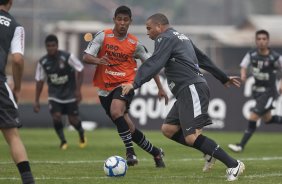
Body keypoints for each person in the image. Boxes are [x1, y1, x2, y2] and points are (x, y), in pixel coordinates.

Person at [122, 13, 245, 181]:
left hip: (191, 87)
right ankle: (209, 153)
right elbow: (202, 58)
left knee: (192, 136)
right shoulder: (181, 37)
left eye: (149, 29)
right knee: (168, 129)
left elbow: (154, 63)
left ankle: (233, 164)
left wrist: (134, 84)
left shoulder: (164, 38)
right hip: (186, 91)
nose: (148, 33)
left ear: (159, 26)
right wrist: (222, 77)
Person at [83, 6, 168, 167]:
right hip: (104, 88)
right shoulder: (103, 36)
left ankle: (130, 152)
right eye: (119, 19)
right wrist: (98, 61)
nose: (122, 23)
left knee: (116, 112)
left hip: (125, 85)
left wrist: (160, 87)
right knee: (129, 127)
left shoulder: (134, 43)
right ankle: (156, 153)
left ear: (130, 22)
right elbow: (86, 56)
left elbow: (150, 65)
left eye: (125, 20)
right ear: (114, 19)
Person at [228, 30, 282, 153]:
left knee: (253, 116)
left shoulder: (275, 57)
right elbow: (243, 65)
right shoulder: (251, 54)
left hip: (269, 92)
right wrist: (243, 75)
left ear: (268, 41)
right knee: (268, 119)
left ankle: (240, 145)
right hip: (257, 91)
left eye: (264, 39)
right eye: (259, 39)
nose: (261, 41)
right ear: (256, 41)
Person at [0, 0, 35, 183]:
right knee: (12, 136)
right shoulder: (15, 26)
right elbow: (18, 60)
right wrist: (18, 87)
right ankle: (28, 181)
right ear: (11, 2)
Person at [33, 34, 86, 150]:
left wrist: (78, 90)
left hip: (70, 93)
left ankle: (81, 133)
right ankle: (63, 141)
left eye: (53, 45)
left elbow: (80, 69)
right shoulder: (43, 62)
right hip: (54, 95)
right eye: (48, 46)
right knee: (56, 117)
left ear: (57, 46)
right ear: (46, 47)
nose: (51, 48)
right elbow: (39, 81)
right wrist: (36, 100)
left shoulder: (67, 57)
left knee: (73, 120)